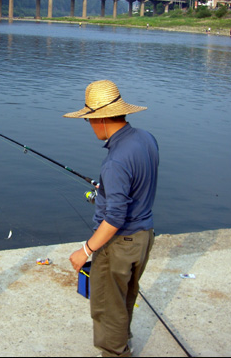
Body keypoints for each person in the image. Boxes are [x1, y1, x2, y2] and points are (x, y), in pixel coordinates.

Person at [64, 80, 159, 357]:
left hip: (119, 244)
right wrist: (106, 189)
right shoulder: (146, 139)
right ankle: (123, 341)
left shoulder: (116, 160)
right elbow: (138, 185)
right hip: (144, 237)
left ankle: (116, 352)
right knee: (125, 298)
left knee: (107, 306)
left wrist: (85, 250)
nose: (90, 125)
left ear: (102, 118)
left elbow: (114, 219)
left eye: (90, 119)